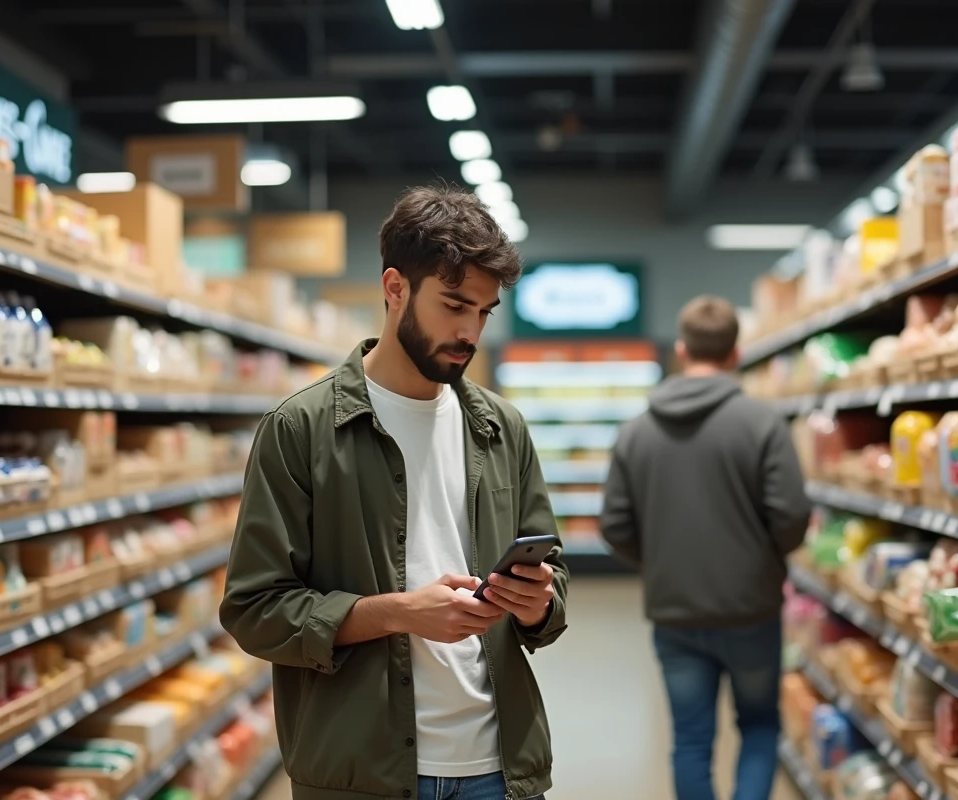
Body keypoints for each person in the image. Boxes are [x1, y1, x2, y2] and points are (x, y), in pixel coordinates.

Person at [220, 184, 568, 800]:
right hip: (364, 774)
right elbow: (255, 611)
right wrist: (401, 613)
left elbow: (553, 589)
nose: (469, 332)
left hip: (499, 769)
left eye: (483, 313)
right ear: (395, 288)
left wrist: (536, 601)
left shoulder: (501, 429)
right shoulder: (302, 429)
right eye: (454, 305)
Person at [599, 295, 811, 800]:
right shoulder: (763, 424)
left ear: (680, 350)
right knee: (758, 726)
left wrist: (659, 561)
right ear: (736, 353)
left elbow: (614, 524)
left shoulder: (636, 431)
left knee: (691, 740)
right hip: (751, 609)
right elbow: (792, 516)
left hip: (675, 611)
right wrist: (760, 559)